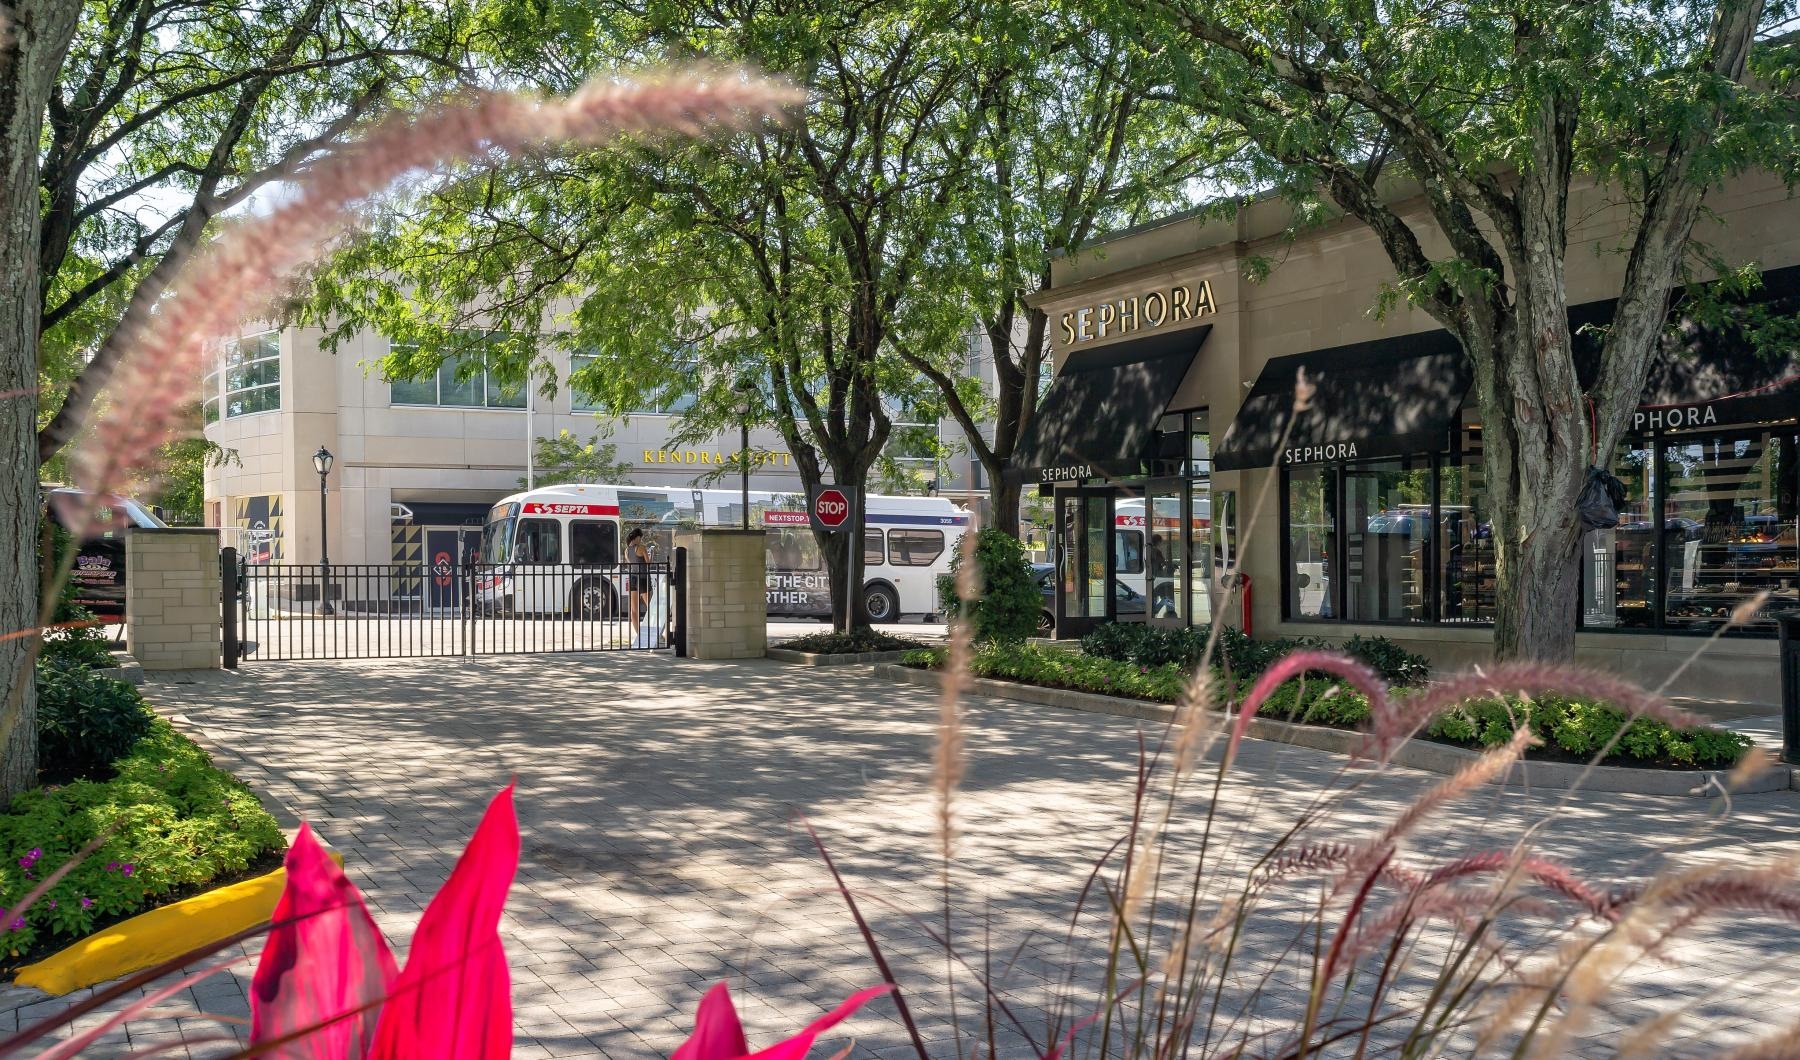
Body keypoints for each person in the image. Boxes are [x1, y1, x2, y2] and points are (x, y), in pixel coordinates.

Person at [625, 528, 651, 641]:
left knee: (634, 609)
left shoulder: (626, 550)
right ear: (638, 537)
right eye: (641, 538)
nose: (641, 540)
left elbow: (631, 564)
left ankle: (639, 634)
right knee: (651, 607)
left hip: (633, 578)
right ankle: (655, 633)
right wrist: (651, 554)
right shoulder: (641, 548)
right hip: (643, 578)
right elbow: (648, 563)